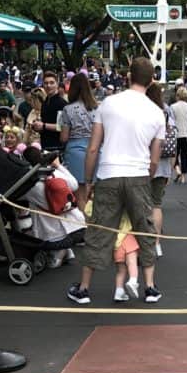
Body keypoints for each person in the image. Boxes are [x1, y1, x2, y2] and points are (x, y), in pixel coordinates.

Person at [68, 57, 165, 305]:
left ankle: (83, 288)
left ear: (129, 76)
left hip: (108, 174)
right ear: (151, 80)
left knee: (99, 230)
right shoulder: (157, 112)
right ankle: (150, 287)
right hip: (139, 176)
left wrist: (88, 180)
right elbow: (155, 159)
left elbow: (93, 148)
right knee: (144, 230)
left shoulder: (108, 104)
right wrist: (145, 177)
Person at [146, 81, 175, 257]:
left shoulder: (143, 109)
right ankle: (157, 243)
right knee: (156, 204)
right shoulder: (166, 111)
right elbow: (172, 136)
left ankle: (142, 241)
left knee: (141, 204)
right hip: (163, 163)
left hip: (143, 162)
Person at [58, 72, 99, 185]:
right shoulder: (97, 108)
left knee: (79, 190)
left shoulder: (68, 109)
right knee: (94, 189)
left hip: (75, 152)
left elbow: (64, 138)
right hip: (96, 151)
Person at [38, 73, 68, 154]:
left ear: (57, 84)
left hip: (57, 147)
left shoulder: (62, 104)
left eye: (52, 83)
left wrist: (43, 125)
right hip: (45, 145)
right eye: (46, 83)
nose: (48, 86)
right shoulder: (45, 102)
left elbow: (61, 127)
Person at [170, 85, 187, 183]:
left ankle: (177, 169)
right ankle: (183, 176)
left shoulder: (173, 107)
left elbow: (171, 121)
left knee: (174, 154)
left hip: (176, 134)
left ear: (177, 95)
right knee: (185, 155)